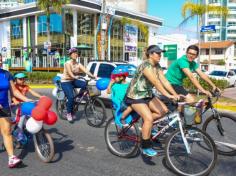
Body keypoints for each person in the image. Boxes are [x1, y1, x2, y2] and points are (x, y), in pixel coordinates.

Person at [125, 45, 180, 157]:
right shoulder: (146, 65)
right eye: (157, 53)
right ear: (150, 54)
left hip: (147, 94)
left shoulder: (157, 66)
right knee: (149, 118)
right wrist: (168, 96)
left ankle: (146, 126)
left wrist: (175, 94)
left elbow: (164, 81)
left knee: (163, 110)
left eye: (161, 53)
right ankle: (145, 146)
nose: (160, 55)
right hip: (135, 95)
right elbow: (155, 82)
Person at [0, 68, 32, 168]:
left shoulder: (6, 74)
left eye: (0, 60)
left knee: (7, 131)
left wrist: (27, 99)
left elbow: (13, 91)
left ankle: (12, 158)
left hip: (4, 106)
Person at [61, 47, 96, 123]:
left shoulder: (78, 64)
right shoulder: (67, 63)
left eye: (76, 53)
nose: (75, 54)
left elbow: (86, 70)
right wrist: (74, 76)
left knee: (85, 84)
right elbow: (70, 73)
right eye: (73, 53)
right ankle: (69, 113)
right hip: (65, 82)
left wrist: (93, 76)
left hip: (73, 81)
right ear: (70, 55)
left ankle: (79, 97)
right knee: (71, 97)